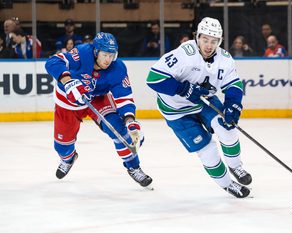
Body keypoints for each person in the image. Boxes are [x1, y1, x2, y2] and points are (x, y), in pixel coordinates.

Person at [146, 17, 251, 198]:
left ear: (220, 41)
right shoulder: (184, 54)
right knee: (207, 149)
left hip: (203, 101)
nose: (209, 45)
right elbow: (153, 79)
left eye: (214, 41)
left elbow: (233, 85)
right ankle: (227, 184)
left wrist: (233, 105)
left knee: (227, 128)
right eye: (205, 40)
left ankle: (235, 166)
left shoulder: (225, 59)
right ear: (197, 37)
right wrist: (183, 88)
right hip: (176, 111)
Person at [45, 32, 152, 187]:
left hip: (97, 99)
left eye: (112, 55)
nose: (108, 60)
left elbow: (124, 98)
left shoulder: (118, 69)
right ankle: (68, 158)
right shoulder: (81, 54)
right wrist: (68, 82)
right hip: (68, 102)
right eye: (105, 55)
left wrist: (130, 121)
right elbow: (52, 62)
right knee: (62, 146)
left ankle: (134, 167)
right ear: (95, 52)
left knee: (119, 130)